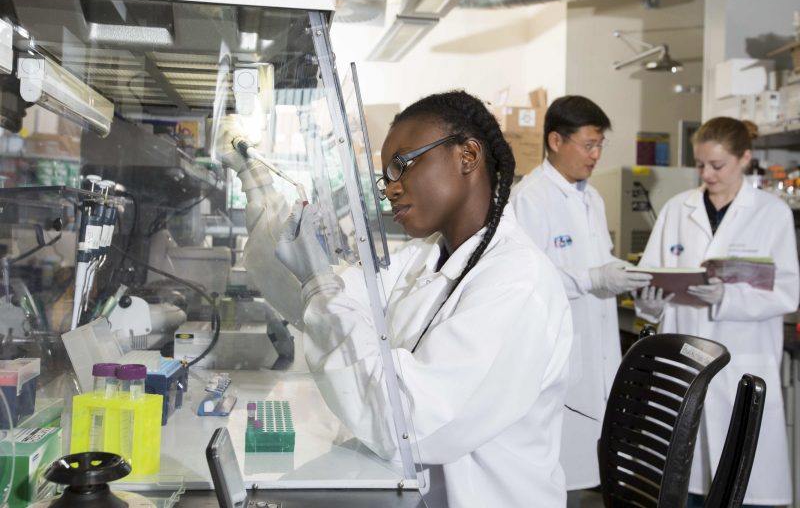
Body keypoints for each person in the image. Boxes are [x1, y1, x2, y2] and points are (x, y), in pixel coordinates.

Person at [226, 91, 573, 508]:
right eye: (384, 176)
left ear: (467, 155)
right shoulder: (421, 260)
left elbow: (407, 426)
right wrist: (254, 180)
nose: (390, 188)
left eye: (402, 165)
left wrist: (319, 284)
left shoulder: (517, 282)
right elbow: (310, 299)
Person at [634, 117, 799, 508]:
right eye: (701, 164)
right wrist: (651, 299)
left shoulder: (770, 213)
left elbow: (788, 293)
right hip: (686, 365)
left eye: (717, 165)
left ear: (745, 158)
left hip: (745, 360)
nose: (707, 174)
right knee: (685, 484)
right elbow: (647, 280)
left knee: (743, 483)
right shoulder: (678, 209)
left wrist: (725, 297)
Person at [510, 95, 652, 502]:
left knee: (597, 469)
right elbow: (526, 280)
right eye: (589, 144)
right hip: (560, 358)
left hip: (599, 353)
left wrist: (623, 275)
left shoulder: (592, 197)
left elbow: (598, 265)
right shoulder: (530, 198)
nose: (596, 155)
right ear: (556, 140)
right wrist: (591, 278)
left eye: (600, 145)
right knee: (560, 477)